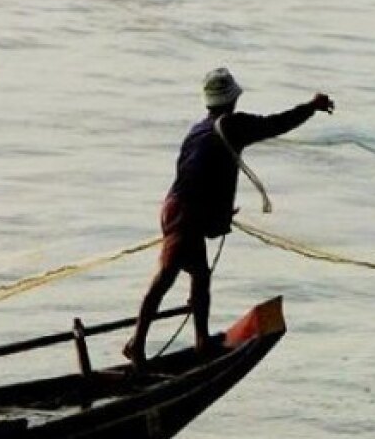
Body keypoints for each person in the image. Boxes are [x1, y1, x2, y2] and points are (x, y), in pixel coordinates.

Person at [123, 67, 334, 364]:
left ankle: (200, 341)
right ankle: (137, 343)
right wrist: (311, 107)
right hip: (186, 214)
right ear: (232, 100)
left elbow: (192, 172)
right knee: (166, 277)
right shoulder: (233, 125)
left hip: (177, 207)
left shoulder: (198, 129)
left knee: (199, 275)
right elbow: (276, 124)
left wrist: (215, 212)